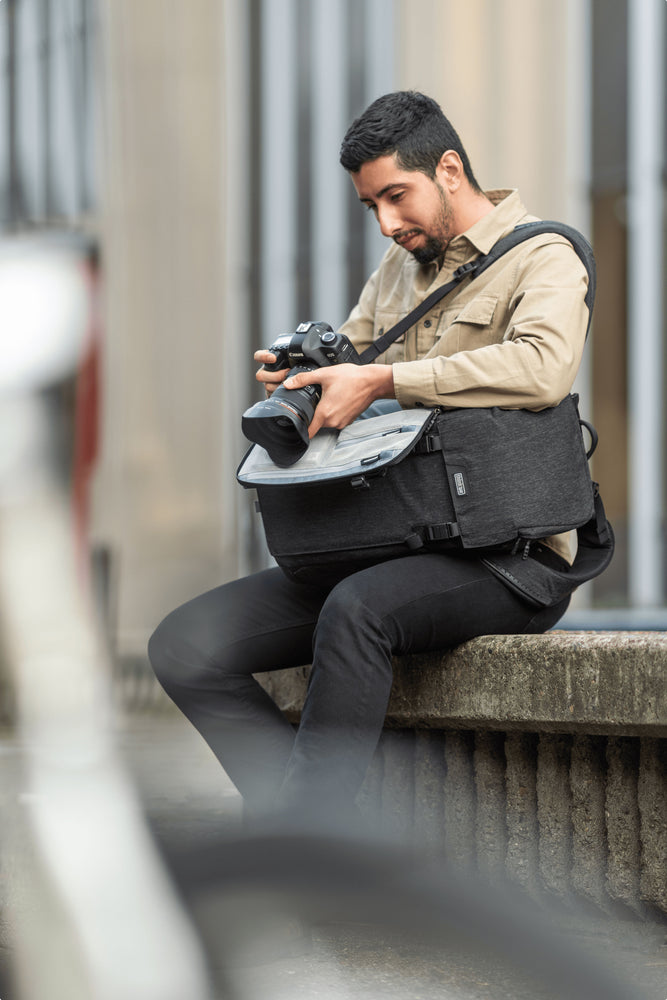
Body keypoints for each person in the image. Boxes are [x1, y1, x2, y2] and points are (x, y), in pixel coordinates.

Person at [148, 91, 589, 829]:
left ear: (448, 169)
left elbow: (543, 367)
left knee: (356, 613)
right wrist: (309, 379)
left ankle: (304, 843)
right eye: (371, 206)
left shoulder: (544, 256)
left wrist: (383, 380)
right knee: (184, 645)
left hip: (507, 556)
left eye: (396, 196)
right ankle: (303, 827)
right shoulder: (397, 270)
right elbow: (355, 357)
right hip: (392, 539)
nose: (387, 223)